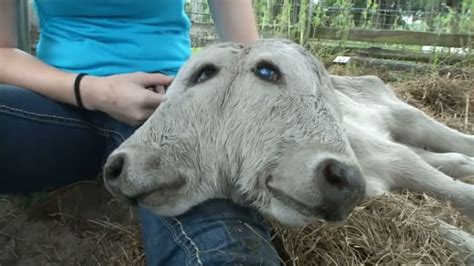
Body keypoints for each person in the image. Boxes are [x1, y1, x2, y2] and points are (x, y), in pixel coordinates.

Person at [0, 1, 281, 265]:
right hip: (58, 103)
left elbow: (247, 52)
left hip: (166, 108)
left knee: (221, 244)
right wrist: (95, 92)